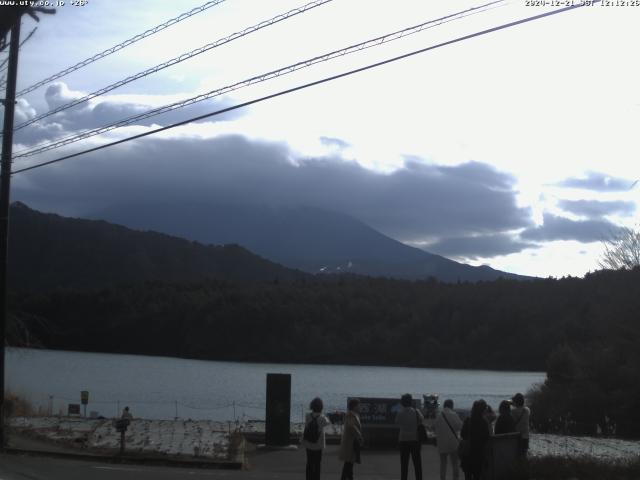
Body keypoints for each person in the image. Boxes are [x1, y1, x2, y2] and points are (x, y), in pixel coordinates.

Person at [395, 393, 424, 480]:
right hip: (415, 440)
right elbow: (421, 420)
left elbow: (397, 422)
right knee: (417, 463)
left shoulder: (400, 413)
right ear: (411, 402)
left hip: (403, 440)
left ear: (402, 403)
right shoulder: (416, 411)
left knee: (404, 464)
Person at [460, 400, 490, 480]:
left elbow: (462, 435)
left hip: (468, 454)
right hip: (479, 454)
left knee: (467, 476)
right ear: (483, 410)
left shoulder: (468, 420)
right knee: (477, 476)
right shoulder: (484, 422)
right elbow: (487, 438)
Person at [302, 397, 330, 480]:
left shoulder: (307, 415)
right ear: (321, 407)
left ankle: (308, 478)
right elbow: (328, 422)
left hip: (308, 443)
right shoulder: (322, 418)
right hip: (318, 444)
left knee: (309, 463)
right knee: (317, 464)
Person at [435, 399, 463, 480]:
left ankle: (442, 478)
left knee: (443, 464)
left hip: (441, 443)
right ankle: (455, 478)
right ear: (452, 406)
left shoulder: (438, 415)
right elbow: (460, 427)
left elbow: (435, 428)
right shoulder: (454, 414)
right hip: (453, 443)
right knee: (455, 463)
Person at [339, 398, 363, 480]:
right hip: (350, 443)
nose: (360, 407)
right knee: (348, 463)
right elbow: (351, 426)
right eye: (358, 405)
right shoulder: (350, 415)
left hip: (352, 442)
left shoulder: (354, 414)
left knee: (349, 464)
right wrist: (359, 435)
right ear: (354, 406)